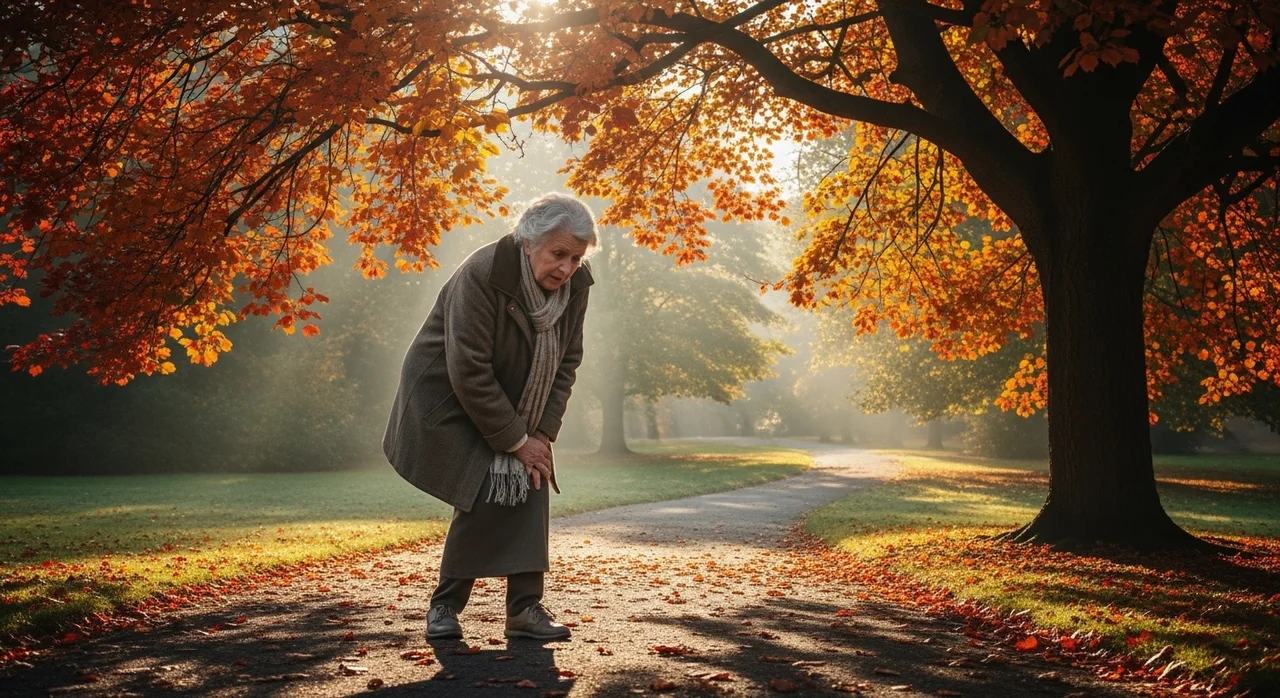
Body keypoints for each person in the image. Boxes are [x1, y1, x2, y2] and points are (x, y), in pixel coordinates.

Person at [382, 193, 596, 641]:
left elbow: (566, 364)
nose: (566, 268)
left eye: (576, 258)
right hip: (446, 397)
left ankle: (524, 610)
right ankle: (444, 606)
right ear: (527, 243)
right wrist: (516, 440)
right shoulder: (482, 274)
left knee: (532, 473)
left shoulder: (576, 287)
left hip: (516, 397)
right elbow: (469, 370)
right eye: (558, 254)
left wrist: (538, 434)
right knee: (483, 484)